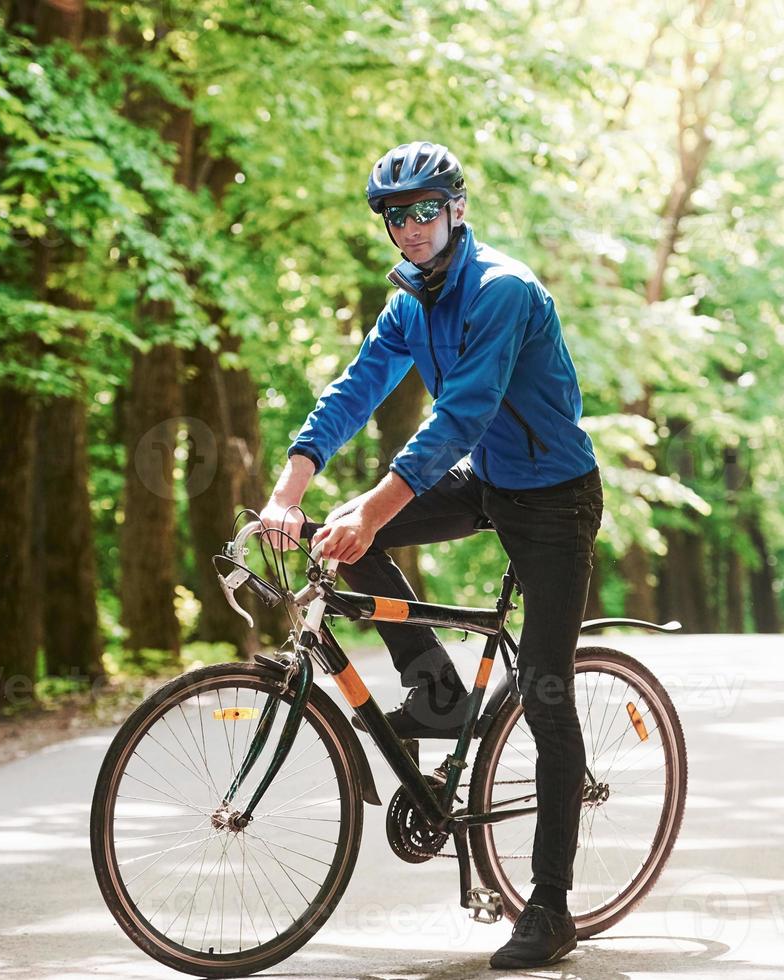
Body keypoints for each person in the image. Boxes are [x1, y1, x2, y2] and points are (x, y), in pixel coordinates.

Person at [262, 141, 601, 969]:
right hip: (488, 481)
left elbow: (462, 412)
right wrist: (290, 490)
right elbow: (355, 387)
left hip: (555, 501)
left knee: (545, 694)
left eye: (423, 211)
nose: (409, 228)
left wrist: (376, 510)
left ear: (455, 209)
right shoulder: (411, 301)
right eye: (394, 216)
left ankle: (550, 906)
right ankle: (438, 690)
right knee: (340, 532)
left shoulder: (503, 290)